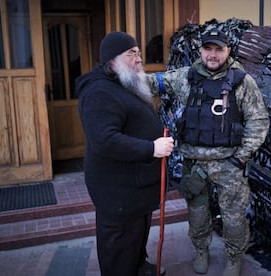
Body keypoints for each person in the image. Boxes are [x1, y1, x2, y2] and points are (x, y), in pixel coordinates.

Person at [148, 29, 270, 275]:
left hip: (229, 164)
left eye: (219, 49)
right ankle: (201, 251)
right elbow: (152, 83)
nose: (213, 55)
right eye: (208, 49)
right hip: (195, 164)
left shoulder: (242, 82)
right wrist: (118, 75)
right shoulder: (186, 77)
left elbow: (259, 121)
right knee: (197, 214)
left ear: (228, 51)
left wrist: (241, 157)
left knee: (233, 217)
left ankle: (234, 259)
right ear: (200, 51)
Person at [76, 31, 174, 276]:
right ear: (112, 59)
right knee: (120, 248)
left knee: (136, 239)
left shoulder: (122, 81)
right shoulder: (99, 92)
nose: (139, 58)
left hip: (135, 189)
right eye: (132, 54)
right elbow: (105, 140)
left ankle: (139, 267)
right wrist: (152, 148)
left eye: (139, 53)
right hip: (118, 192)